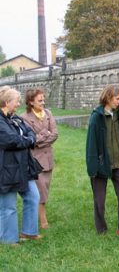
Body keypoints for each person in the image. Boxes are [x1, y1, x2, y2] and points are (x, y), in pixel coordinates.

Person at [86, 85, 119, 238]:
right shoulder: (96, 117)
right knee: (99, 199)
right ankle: (101, 229)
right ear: (108, 98)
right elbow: (91, 144)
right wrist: (93, 168)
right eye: (117, 98)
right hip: (101, 164)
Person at [0, 86, 42, 244]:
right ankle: (8, 240)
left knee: (33, 196)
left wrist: (27, 139)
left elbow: (30, 132)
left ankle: (29, 232)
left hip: (24, 166)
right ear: (7, 102)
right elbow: (11, 140)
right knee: (8, 206)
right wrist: (27, 140)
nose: (18, 104)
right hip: (6, 169)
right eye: (16, 101)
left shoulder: (15, 118)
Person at [21, 89, 58, 229]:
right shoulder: (24, 117)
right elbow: (32, 140)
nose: (43, 103)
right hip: (35, 159)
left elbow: (55, 134)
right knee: (40, 190)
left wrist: (41, 136)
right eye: (39, 100)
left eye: (43, 100)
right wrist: (45, 134)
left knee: (46, 188)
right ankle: (43, 221)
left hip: (48, 158)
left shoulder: (48, 113)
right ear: (31, 102)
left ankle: (39, 214)